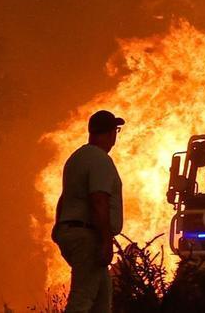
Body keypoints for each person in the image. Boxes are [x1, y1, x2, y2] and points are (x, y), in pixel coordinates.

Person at [51, 110, 125, 313]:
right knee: (81, 302)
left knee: (101, 301)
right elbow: (98, 200)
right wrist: (106, 241)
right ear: (112, 133)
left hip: (72, 232)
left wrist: (58, 228)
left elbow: (64, 198)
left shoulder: (76, 158)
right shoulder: (100, 160)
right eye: (116, 131)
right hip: (88, 237)